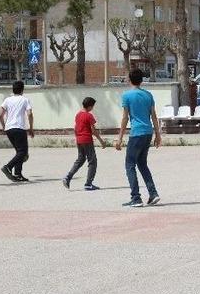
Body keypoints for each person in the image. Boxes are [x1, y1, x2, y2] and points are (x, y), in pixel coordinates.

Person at [115, 69, 161, 207]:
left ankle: (136, 197)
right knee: (142, 164)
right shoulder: (148, 95)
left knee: (130, 165)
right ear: (142, 80)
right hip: (148, 132)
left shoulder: (127, 96)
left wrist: (120, 137)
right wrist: (158, 134)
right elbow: (153, 115)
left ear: (129, 79)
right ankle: (153, 194)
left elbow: (125, 118)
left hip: (136, 133)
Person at [64, 97, 106, 191]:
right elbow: (93, 130)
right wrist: (101, 141)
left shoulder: (78, 115)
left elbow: (76, 127)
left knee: (81, 159)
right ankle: (88, 184)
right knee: (92, 161)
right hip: (87, 140)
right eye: (93, 106)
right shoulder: (89, 115)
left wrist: (78, 137)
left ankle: (68, 177)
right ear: (90, 106)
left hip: (79, 140)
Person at [0, 80, 34, 182]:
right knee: (23, 152)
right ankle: (8, 167)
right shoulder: (24, 100)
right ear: (22, 90)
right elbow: (30, 114)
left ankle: (18, 174)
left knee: (19, 152)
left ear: (13, 89)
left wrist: (4, 126)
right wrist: (31, 128)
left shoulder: (7, 100)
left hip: (9, 129)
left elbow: (0, 114)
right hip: (19, 128)